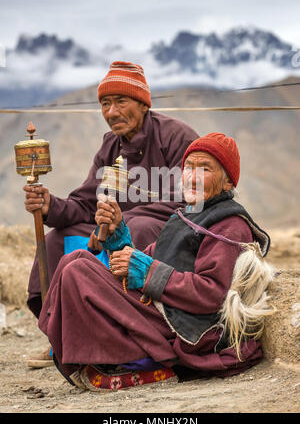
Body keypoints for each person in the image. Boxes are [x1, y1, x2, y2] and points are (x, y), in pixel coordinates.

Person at [37, 133, 275, 391]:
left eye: (204, 169)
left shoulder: (228, 225)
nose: (192, 177)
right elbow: (151, 257)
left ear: (228, 181)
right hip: (162, 307)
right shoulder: (188, 215)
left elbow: (211, 293)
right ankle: (76, 350)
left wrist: (145, 270)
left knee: (78, 271)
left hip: (184, 326)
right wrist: (118, 237)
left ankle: (137, 362)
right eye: (188, 168)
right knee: (76, 259)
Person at [24, 61, 198, 367]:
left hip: (166, 229)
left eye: (121, 101)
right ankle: (60, 337)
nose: (112, 112)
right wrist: (51, 205)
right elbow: (86, 202)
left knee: (139, 228)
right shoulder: (110, 146)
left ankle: (132, 333)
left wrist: (122, 222)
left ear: (144, 104)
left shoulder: (176, 137)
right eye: (105, 103)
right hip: (113, 227)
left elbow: (186, 200)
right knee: (56, 240)